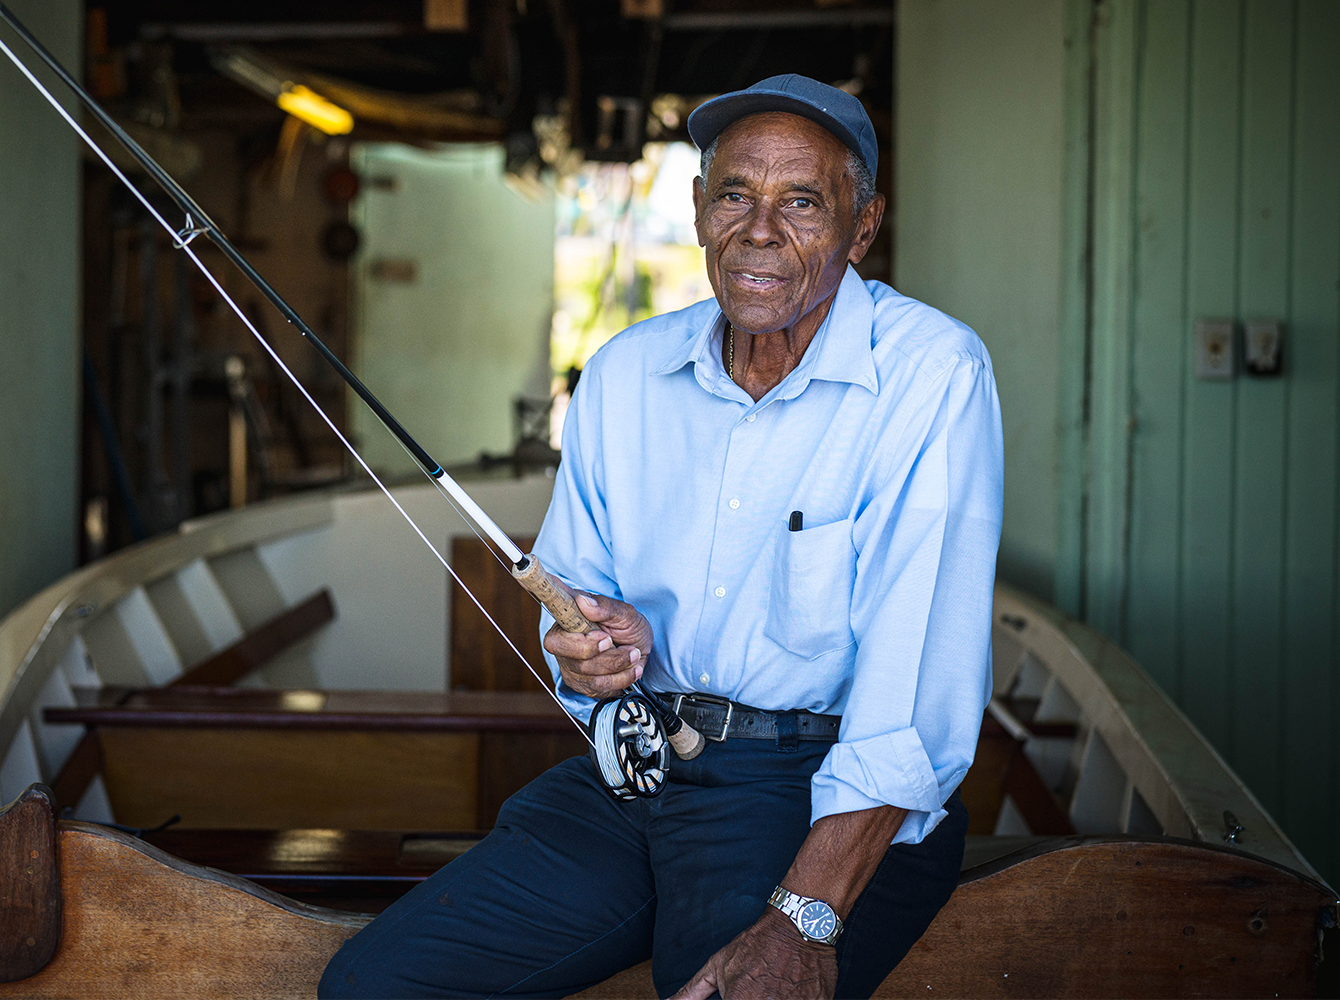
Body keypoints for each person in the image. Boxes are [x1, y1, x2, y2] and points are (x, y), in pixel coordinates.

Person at [320, 74, 1003, 1000]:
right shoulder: (625, 374)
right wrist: (592, 652)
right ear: (697, 208)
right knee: (372, 987)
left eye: (803, 202)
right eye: (735, 195)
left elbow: (915, 695)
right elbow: (571, 613)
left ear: (863, 226)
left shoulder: (931, 373)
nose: (760, 230)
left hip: (816, 795)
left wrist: (806, 916)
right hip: (641, 777)